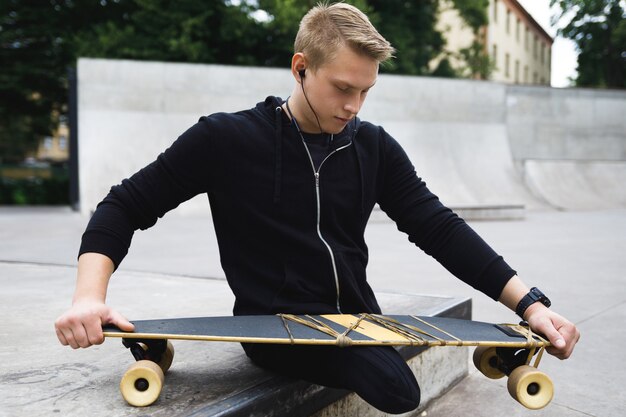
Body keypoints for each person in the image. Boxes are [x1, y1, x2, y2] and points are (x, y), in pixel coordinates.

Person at [55, 2, 579, 414]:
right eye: (342, 88)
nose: (353, 107)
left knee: (393, 383)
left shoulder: (371, 146)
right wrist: (88, 297)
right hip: (273, 327)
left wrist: (529, 304)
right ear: (300, 68)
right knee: (397, 389)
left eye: (366, 91)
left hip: (355, 323)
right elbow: (124, 204)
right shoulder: (225, 139)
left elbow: (437, 226)